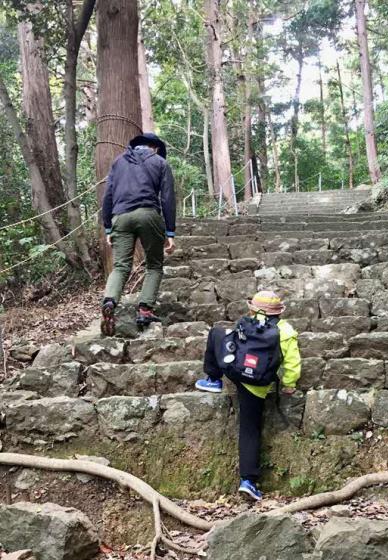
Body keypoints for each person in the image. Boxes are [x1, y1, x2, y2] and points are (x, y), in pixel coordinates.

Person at [195, 290, 302, 501]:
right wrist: (289, 384)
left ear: (254, 309)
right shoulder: (286, 331)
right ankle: (248, 481)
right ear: (279, 312)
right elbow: (292, 363)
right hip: (258, 385)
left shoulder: (249, 323)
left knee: (217, 333)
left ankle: (213, 379)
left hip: (236, 373)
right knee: (249, 429)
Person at [100, 132, 176, 336]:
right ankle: (145, 310)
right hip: (148, 214)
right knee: (154, 265)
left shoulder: (118, 162)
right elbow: (167, 198)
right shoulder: (160, 163)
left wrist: (108, 227)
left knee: (121, 266)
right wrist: (170, 231)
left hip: (120, 216)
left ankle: (109, 301)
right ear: (155, 148)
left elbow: (108, 195)